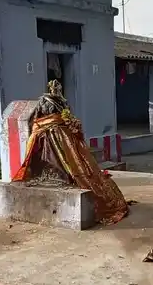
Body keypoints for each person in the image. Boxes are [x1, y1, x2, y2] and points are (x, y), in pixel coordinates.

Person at [13, 80, 129, 224]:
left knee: (68, 160)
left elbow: (38, 118)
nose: (56, 89)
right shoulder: (51, 101)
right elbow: (40, 117)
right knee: (59, 159)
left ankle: (62, 176)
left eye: (57, 87)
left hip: (56, 133)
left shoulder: (57, 102)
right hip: (53, 134)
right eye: (55, 88)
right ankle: (55, 176)